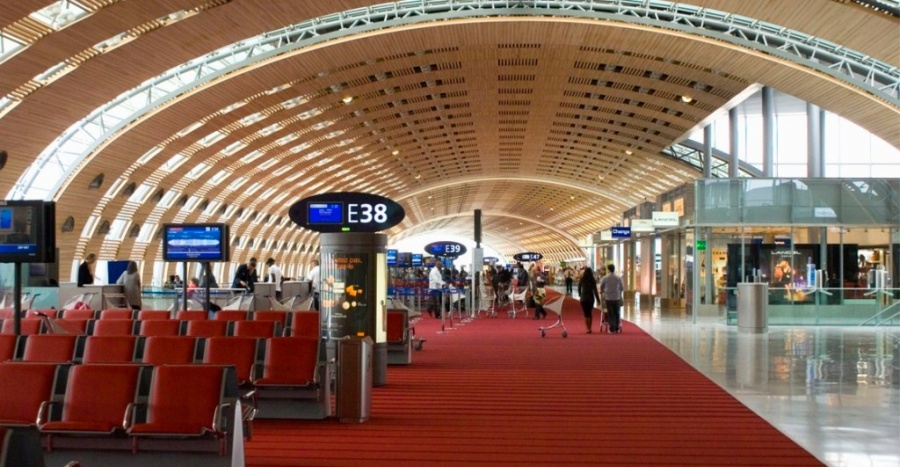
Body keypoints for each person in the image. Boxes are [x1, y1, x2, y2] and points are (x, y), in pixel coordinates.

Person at [599, 264, 624, 333]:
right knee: (617, 312)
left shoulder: (605, 278)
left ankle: (612, 328)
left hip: (608, 298)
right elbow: (622, 288)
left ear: (608, 270)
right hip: (617, 297)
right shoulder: (619, 278)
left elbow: (601, 287)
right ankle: (617, 327)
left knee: (610, 313)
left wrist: (603, 291)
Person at [577, 266, 601, 333]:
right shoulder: (592, 280)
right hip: (590, 298)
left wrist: (580, 294)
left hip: (583, 298)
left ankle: (587, 328)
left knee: (586, 314)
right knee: (590, 313)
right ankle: (590, 328)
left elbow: (579, 288)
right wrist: (598, 300)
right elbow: (595, 290)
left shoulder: (582, 279)